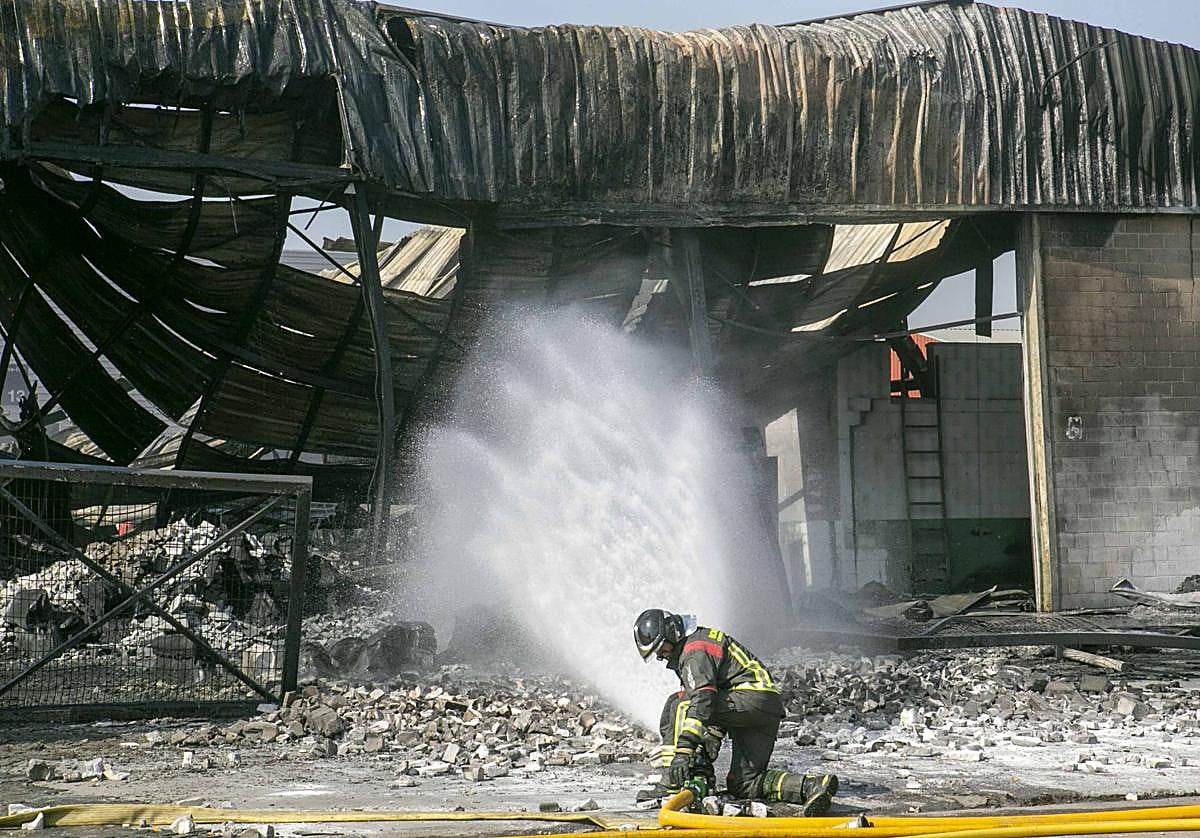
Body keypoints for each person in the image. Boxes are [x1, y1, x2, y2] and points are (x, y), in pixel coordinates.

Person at [633, 608, 838, 815]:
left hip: (749, 697)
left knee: (679, 704)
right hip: (763, 708)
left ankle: (672, 783)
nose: (662, 656)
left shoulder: (694, 649)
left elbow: (703, 700)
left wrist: (683, 753)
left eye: (662, 649)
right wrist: (708, 746)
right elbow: (718, 700)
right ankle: (812, 786)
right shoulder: (696, 644)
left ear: (672, 634)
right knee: (745, 784)